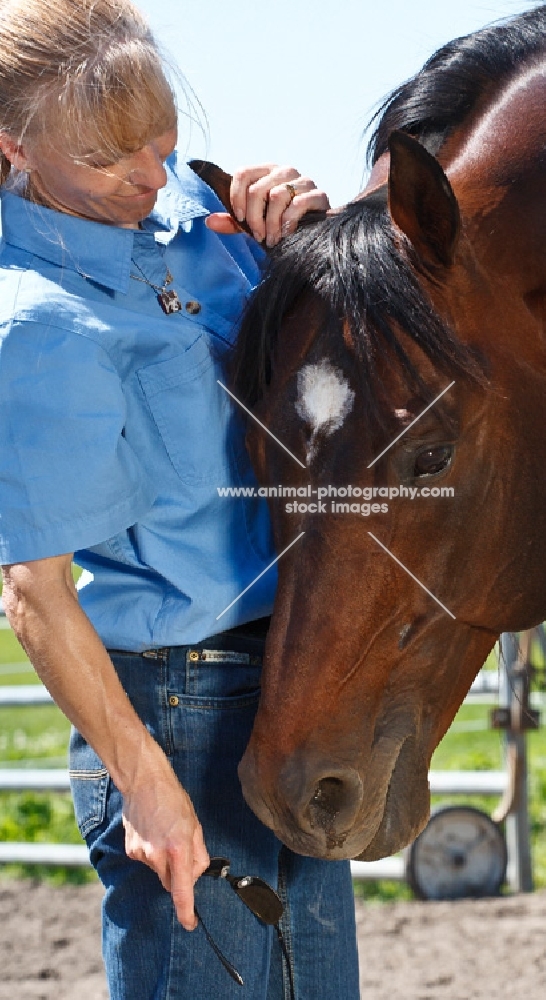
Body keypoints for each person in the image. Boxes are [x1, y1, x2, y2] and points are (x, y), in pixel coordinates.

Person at [0, 1, 360, 997]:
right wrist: (147, 787)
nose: (152, 177)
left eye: (162, 144)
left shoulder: (200, 228)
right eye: (114, 160)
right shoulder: (34, 322)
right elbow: (33, 590)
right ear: (15, 149)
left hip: (294, 679)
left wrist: (304, 240)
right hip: (177, 710)